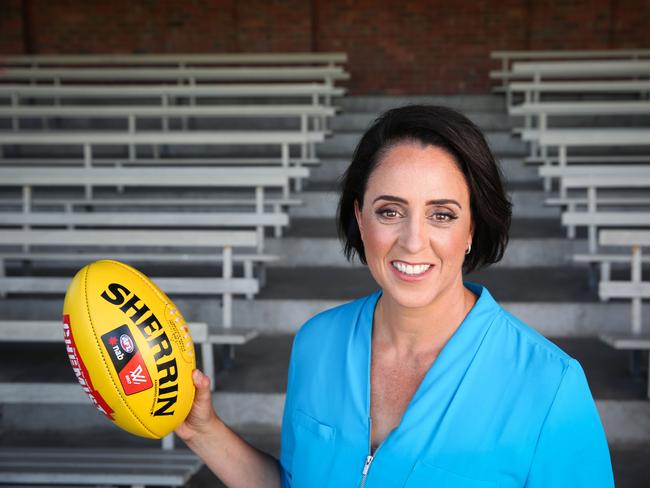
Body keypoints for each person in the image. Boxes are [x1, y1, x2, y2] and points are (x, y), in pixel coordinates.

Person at [175, 105, 615, 487]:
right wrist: (202, 430)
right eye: (390, 211)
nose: (412, 240)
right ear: (360, 219)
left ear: (471, 230)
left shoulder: (550, 386)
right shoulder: (316, 343)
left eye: (441, 214)